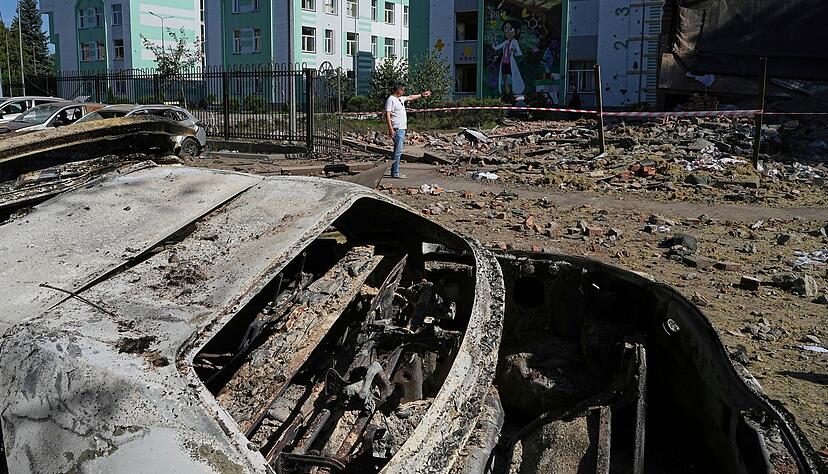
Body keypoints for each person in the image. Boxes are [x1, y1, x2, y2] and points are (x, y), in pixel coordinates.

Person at [384, 83, 431, 179]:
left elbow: (410, 97)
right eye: (403, 90)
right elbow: (387, 115)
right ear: (399, 90)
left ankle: (394, 171)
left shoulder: (400, 99)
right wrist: (390, 129)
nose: (404, 92)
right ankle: (395, 172)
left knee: (398, 151)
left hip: (401, 128)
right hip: (397, 129)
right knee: (398, 151)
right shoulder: (391, 99)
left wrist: (421, 95)